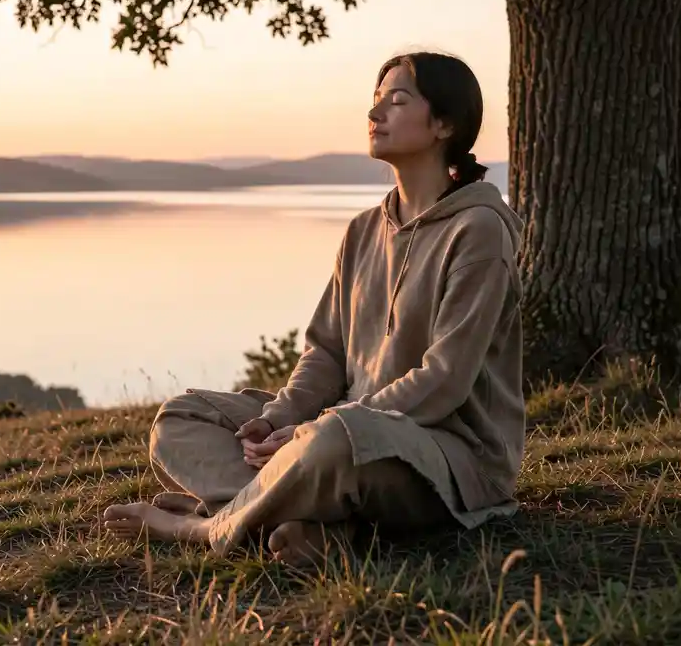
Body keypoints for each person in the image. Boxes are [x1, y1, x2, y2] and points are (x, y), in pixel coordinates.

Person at [103, 52, 525, 564]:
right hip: (343, 430)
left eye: (397, 101)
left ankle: (205, 528)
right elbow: (327, 351)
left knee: (331, 442)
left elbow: (445, 380)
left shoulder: (478, 229)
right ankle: (312, 526)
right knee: (181, 418)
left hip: (449, 458)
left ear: (445, 124)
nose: (375, 115)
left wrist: (310, 430)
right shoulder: (363, 230)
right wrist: (278, 418)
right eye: (375, 101)